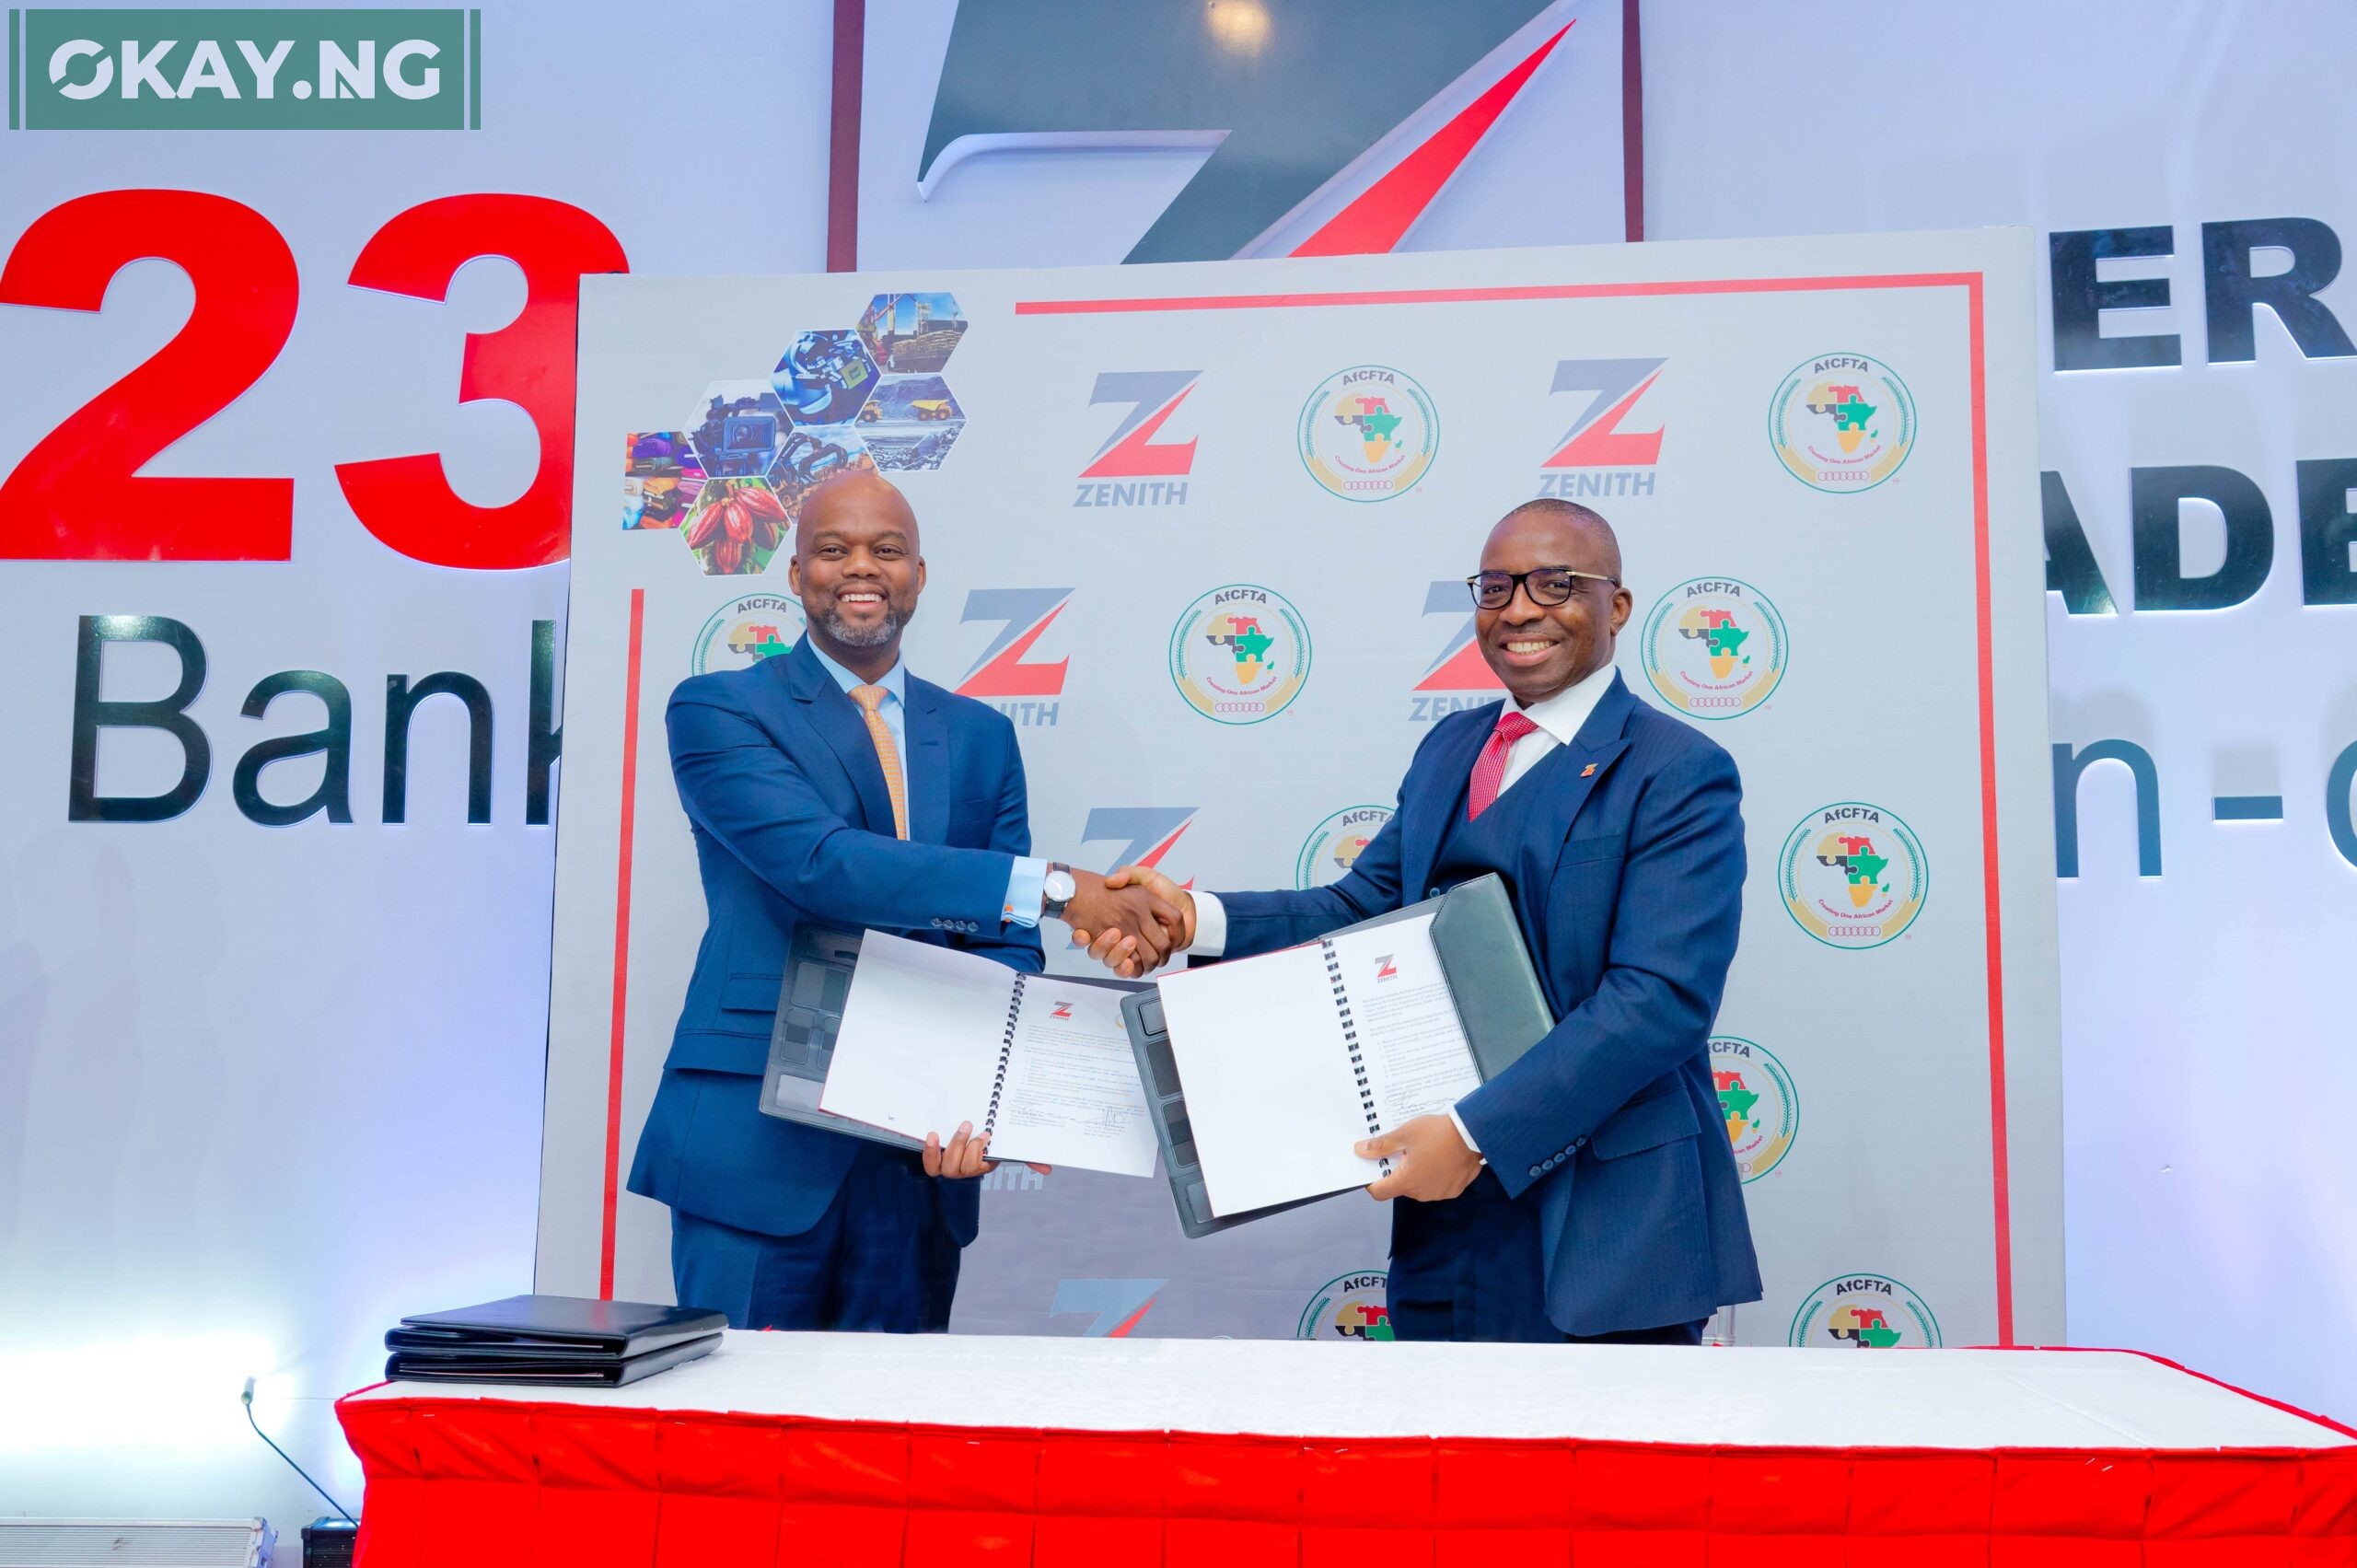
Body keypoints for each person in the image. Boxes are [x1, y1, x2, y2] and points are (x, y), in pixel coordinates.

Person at [1080, 498, 1761, 1343]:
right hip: (1443, 1214)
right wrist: (1191, 920)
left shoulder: (1679, 769)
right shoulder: (1451, 748)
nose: (1519, 609)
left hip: (1603, 1225)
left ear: (1616, 606)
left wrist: (1475, 1135)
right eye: (1497, 587)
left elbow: (1658, 1001)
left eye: (1555, 584)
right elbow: (1360, 908)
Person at [629, 470, 1180, 1331]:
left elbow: (1007, 945)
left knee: (892, 1416)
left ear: (918, 576)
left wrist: (989, 1100)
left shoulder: (981, 737)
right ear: (796, 573)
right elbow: (823, 866)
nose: (861, 567)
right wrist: (1060, 889)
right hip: (756, 1151)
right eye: (833, 549)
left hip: (921, 1160)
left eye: (886, 550)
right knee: (735, 1410)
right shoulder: (719, 709)